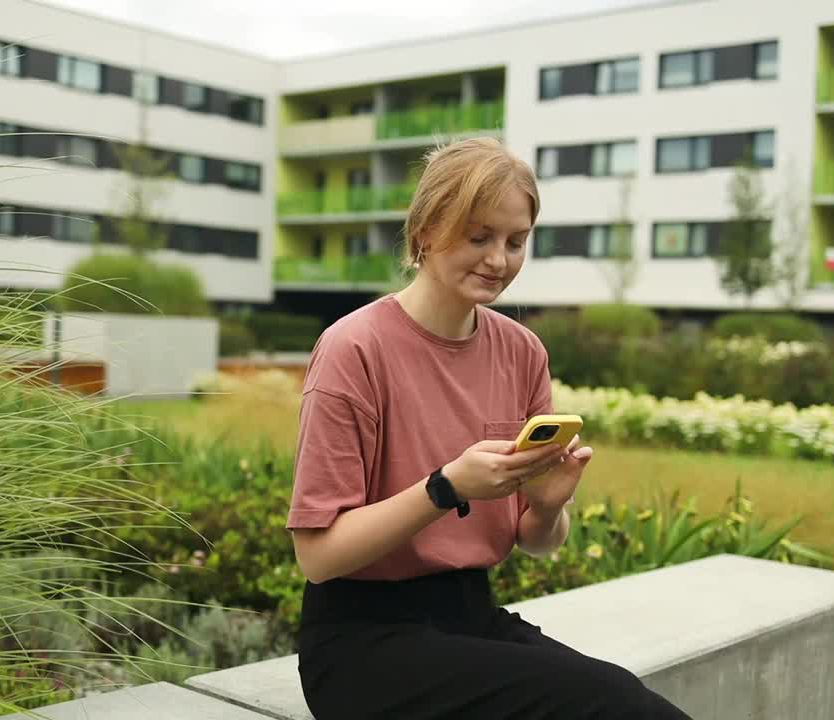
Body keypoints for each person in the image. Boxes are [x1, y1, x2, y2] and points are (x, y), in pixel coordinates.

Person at [286, 137, 693, 720]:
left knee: (635, 704)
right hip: (361, 644)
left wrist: (548, 508)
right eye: (478, 237)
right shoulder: (354, 348)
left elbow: (535, 541)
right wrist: (445, 488)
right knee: (611, 704)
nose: (498, 259)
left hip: (471, 620)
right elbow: (318, 558)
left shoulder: (522, 351)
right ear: (426, 230)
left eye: (515, 241)